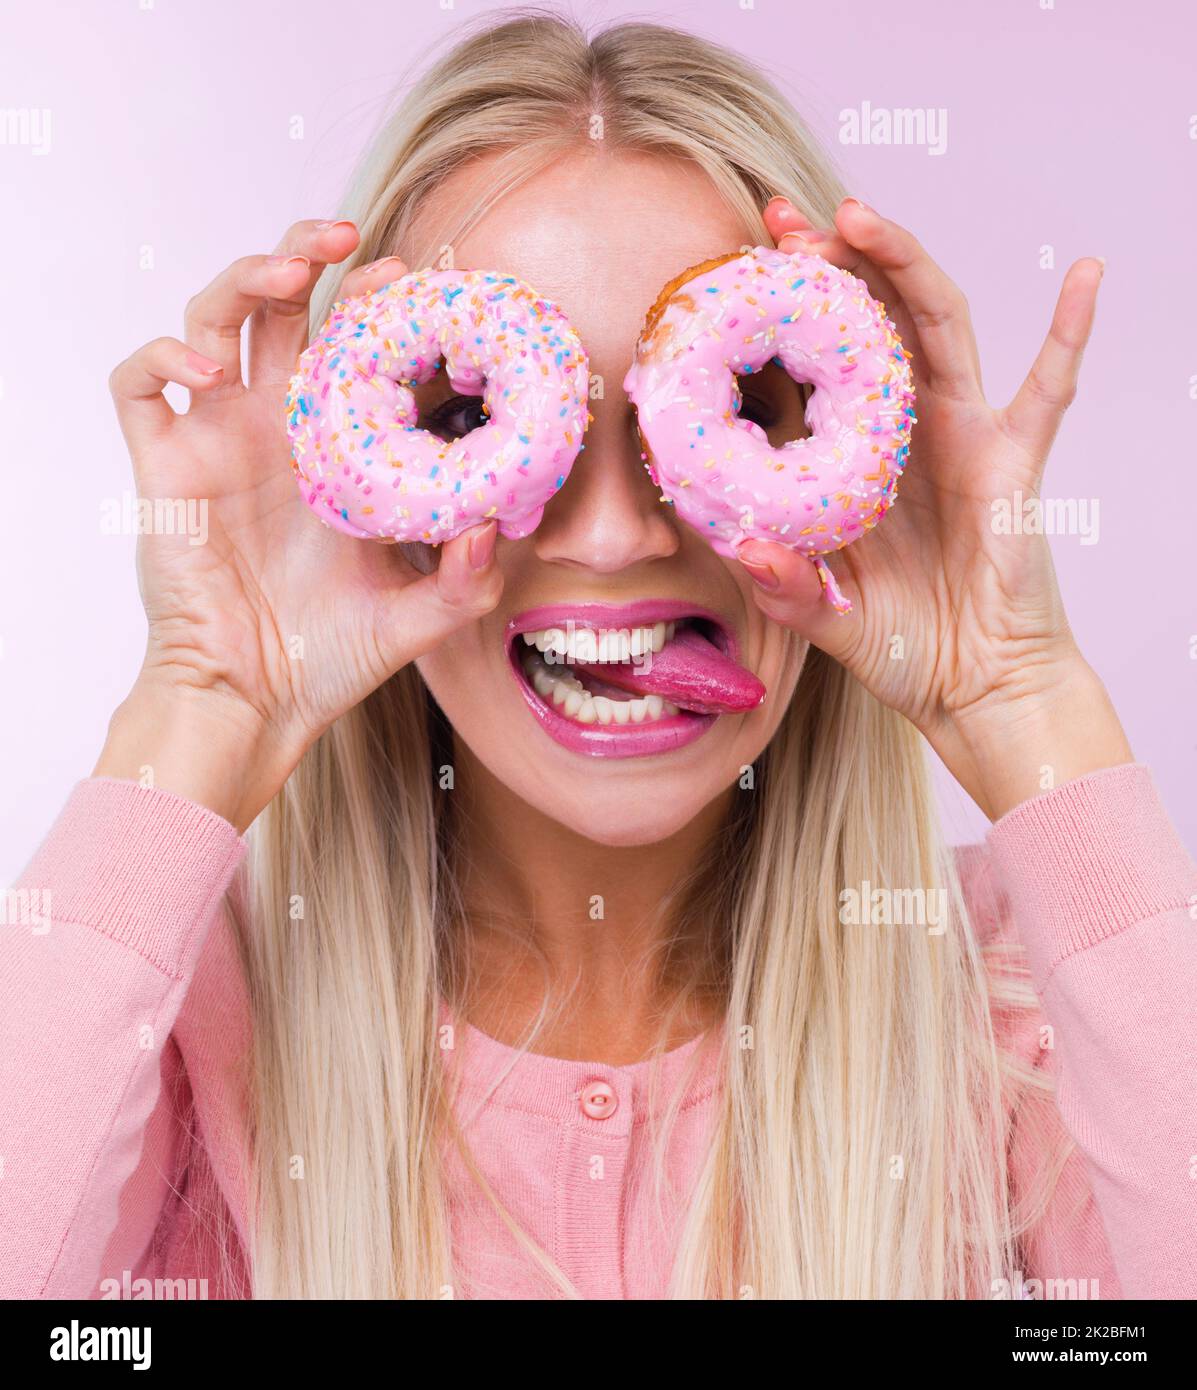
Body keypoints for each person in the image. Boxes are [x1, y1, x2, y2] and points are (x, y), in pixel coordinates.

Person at [3, 11, 1194, 1300]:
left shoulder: (1034, 1007)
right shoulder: (157, 1020)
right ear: (357, 476)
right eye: (471, 415)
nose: (620, 535)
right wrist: (203, 702)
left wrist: (1026, 698)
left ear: (855, 471)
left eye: (742, 403)